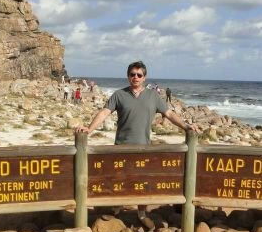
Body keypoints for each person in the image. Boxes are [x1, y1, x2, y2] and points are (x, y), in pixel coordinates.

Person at [75, 60, 197, 218]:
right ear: (128, 76)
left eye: (139, 75)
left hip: (143, 147)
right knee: (119, 179)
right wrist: (89, 129)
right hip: (121, 147)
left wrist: (186, 126)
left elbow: (170, 114)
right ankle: (117, 209)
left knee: (142, 182)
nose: (136, 77)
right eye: (132, 74)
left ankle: (142, 213)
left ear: (144, 77)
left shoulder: (153, 96)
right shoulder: (119, 95)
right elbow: (104, 113)